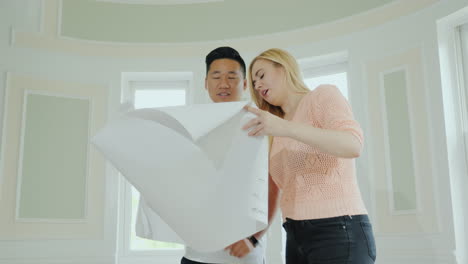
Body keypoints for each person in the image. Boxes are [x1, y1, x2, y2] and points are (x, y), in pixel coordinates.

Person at [243, 48, 377, 264]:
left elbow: (353, 145)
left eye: (261, 75)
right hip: (295, 236)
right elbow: (271, 191)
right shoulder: (275, 130)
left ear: (284, 68)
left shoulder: (322, 96)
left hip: (338, 230)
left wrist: (286, 127)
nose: (257, 85)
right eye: (253, 82)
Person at [135, 46, 268, 264]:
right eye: (216, 77)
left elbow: (274, 188)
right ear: (206, 83)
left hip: (245, 257)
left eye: (232, 77)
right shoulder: (190, 129)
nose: (224, 84)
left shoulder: (260, 125)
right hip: (197, 256)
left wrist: (253, 238)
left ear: (245, 84)